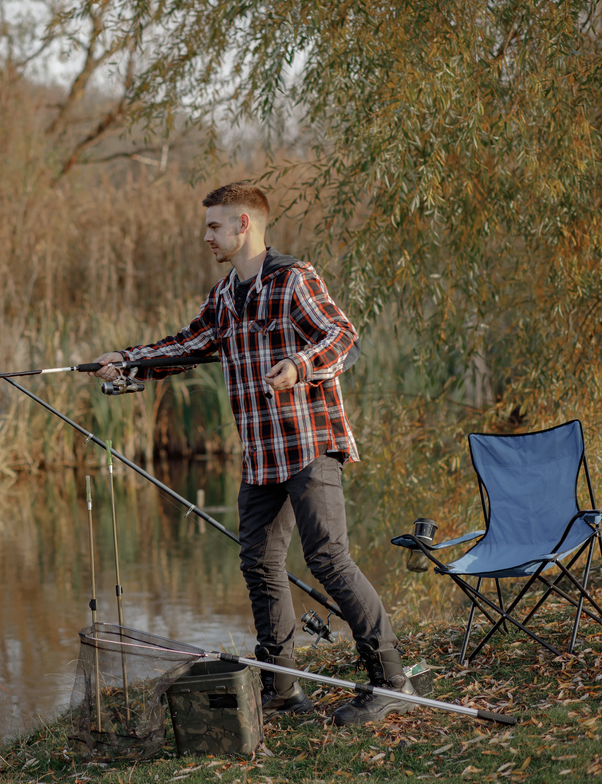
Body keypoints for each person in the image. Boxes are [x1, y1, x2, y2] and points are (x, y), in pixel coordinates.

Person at [91, 182, 416, 726]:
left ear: (245, 224)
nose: (206, 236)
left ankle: (391, 680)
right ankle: (282, 689)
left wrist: (299, 366)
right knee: (260, 564)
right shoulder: (223, 297)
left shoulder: (293, 279)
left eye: (215, 226)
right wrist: (127, 362)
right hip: (261, 455)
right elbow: (187, 345)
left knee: (328, 559)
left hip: (309, 444)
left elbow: (344, 336)